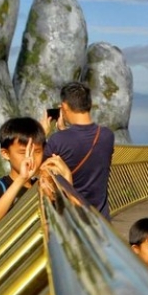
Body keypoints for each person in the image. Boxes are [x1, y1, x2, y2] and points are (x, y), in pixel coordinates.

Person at [0, 117, 71, 236]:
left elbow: (64, 218)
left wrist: (67, 179)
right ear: (5, 154)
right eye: (23, 153)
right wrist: (21, 179)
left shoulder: (40, 185)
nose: (30, 158)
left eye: (37, 152)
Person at [43, 82, 115, 220]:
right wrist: (64, 131)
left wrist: (43, 134)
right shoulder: (107, 135)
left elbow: (36, 169)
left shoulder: (57, 140)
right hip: (101, 219)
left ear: (64, 107)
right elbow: (82, 145)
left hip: (73, 219)